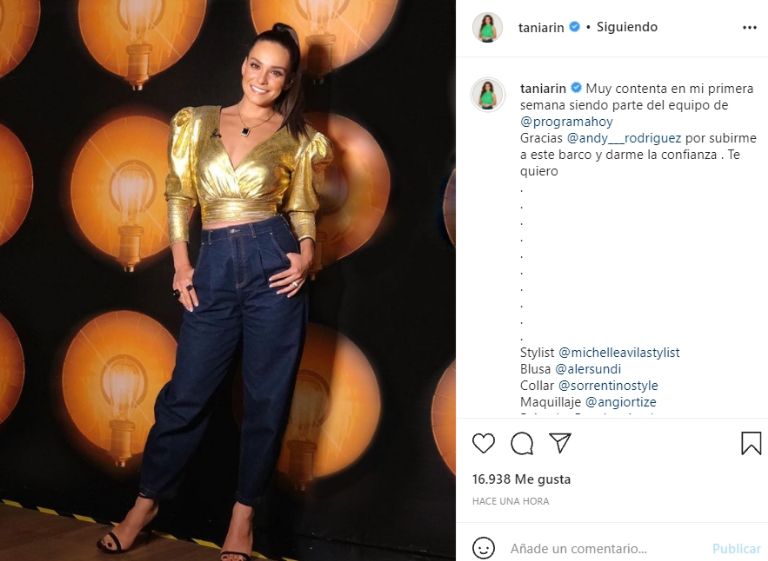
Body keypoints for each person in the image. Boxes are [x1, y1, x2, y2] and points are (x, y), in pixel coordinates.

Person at [96, 22, 333, 561]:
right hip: (214, 267)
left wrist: (307, 254)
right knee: (186, 396)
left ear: (289, 80)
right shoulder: (198, 122)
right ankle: (143, 507)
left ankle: (242, 521)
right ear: (243, 65)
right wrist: (182, 265)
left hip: (275, 267)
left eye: (276, 72)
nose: (262, 79)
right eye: (256, 65)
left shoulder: (297, 138)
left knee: (268, 400)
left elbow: (302, 208)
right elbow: (179, 195)